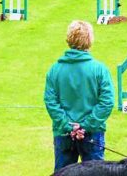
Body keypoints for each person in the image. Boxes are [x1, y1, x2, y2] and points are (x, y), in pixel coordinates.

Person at [44, 20, 114, 172]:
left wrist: (68, 126)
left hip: (64, 133)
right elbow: (107, 102)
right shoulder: (99, 70)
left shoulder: (55, 70)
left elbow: (51, 102)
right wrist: (85, 126)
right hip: (92, 133)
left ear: (68, 39)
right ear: (90, 40)